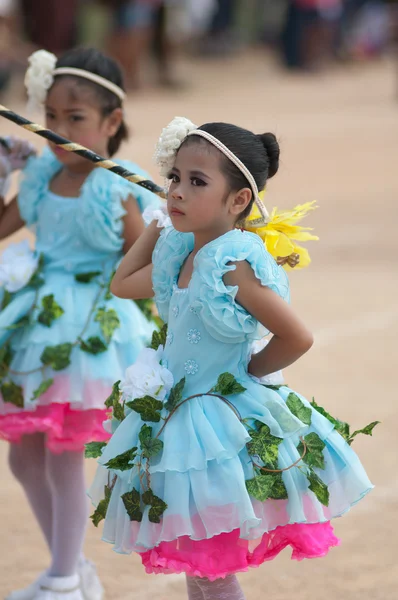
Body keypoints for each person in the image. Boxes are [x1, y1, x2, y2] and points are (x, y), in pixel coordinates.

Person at [88, 116, 375, 599]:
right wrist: (158, 226)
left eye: (196, 181)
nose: (177, 190)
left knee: (212, 571)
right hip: (176, 424)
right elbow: (121, 283)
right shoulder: (180, 253)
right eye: (174, 177)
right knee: (198, 568)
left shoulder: (232, 263)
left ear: (239, 200)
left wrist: (247, 374)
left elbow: (296, 336)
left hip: (216, 430)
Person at [0, 47, 159, 600]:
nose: (58, 131)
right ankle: (68, 569)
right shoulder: (43, 171)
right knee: (22, 457)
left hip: (93, 326)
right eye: (52, 118)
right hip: (34, 320)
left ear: (111, 122)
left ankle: (65, 581)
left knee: (65, 452)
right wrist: (3, 173)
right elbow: (3, 226)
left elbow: (140, 265)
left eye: (76, 119)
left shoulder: (120, 187)